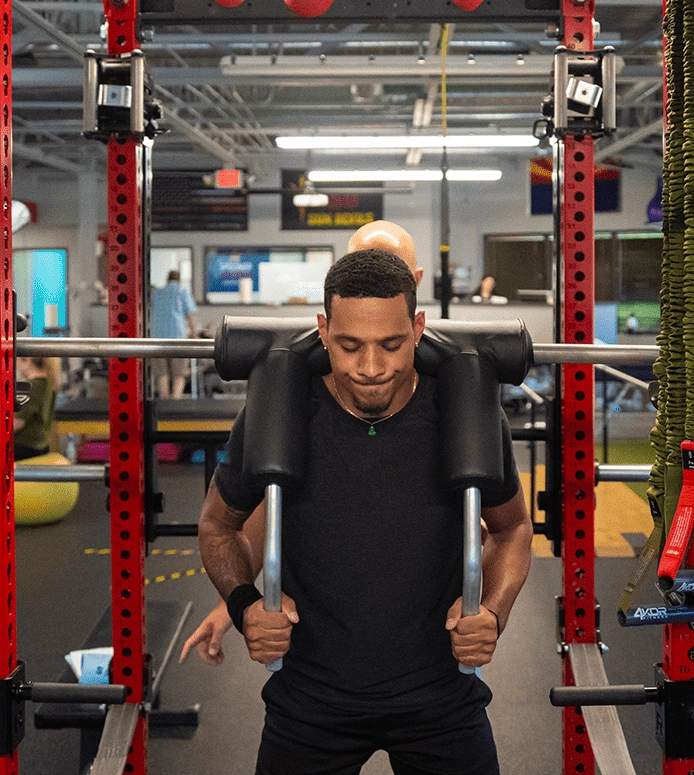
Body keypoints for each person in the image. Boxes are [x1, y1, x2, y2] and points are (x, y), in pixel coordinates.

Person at [197, 250, 532, 774]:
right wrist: (242, 605)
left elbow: (512, 530)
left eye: (391, 345)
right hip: (309, 703)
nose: (371, 368)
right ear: (323, 331)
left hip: (441, 701)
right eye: (350, 346)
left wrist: (493, 612)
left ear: (418, 329)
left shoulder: (462, 412)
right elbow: (219, 525)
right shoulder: (280, 413)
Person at [182, 221, 430, 665]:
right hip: (316, 662)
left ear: (415, 283)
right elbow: (270, 497)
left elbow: (499, 524)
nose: (371, 366)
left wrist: (484, 604)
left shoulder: (452, 380)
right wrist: (236, 602)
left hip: (427, 651)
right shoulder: (297, 381)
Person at [150, 269, 198, 398]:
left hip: (157, 339)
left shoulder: (157, 293)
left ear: (167, 279)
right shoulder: (182, 292)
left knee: (162, 374)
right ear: (179, 280)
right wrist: (194, 333)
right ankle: (175, 402)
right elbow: (190, 315)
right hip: (178, 339)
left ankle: (165, 402)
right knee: (179, 375)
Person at [13, 356, 58, 460]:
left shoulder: (33, 386)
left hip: (26, 447)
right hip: (40, 445)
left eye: (18, 363)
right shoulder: (48, 382)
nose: (17, 368)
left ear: (27, 361)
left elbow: (18, 422)